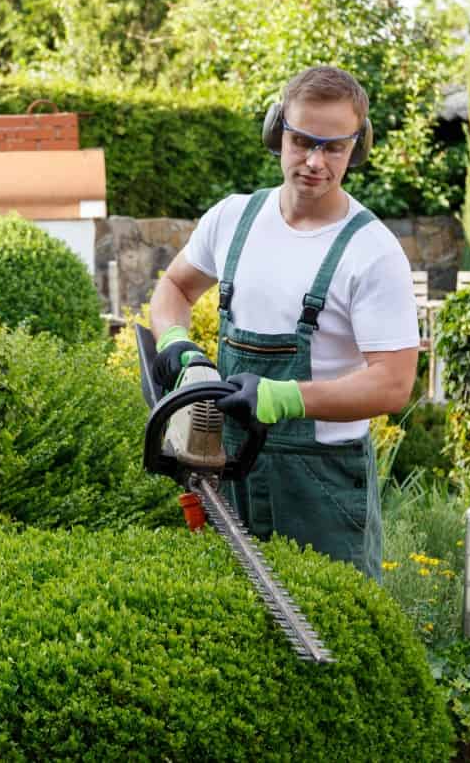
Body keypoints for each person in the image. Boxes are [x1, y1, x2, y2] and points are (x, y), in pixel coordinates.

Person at [148, 65, 419, 581]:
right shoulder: (233, 219)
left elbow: (393, 383)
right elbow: (174, 288)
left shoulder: (371, 250)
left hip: (320, 486)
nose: (315, 161)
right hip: (227, 470)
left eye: (333, 147)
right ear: (279, 133)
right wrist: (178, 345)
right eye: (302, 142)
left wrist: (283, 397)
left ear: (356, 149)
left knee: (336, 635)